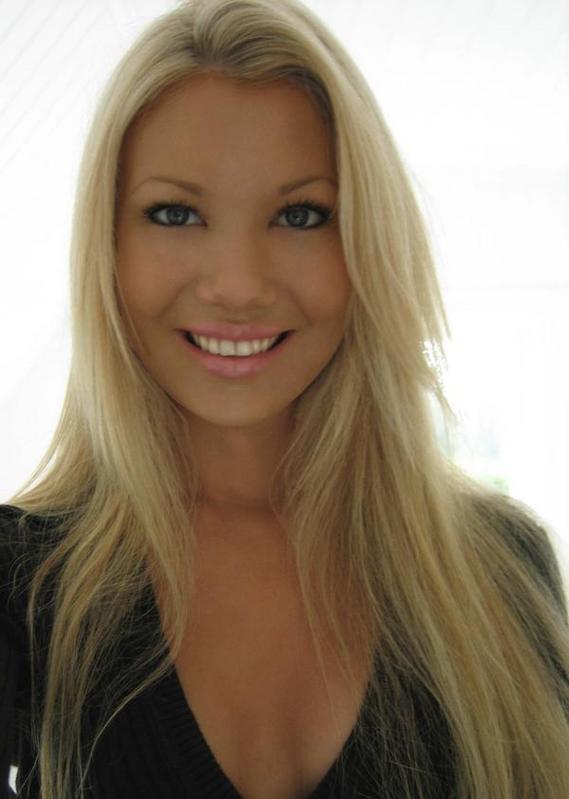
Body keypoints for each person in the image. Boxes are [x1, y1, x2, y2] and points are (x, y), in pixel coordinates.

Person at [1, 0, 568, 797]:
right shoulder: (22, 583)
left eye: (300, 215)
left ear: (369, 243)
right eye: (175, 213)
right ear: (108, 246)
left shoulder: (502, 566)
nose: (238, 284)